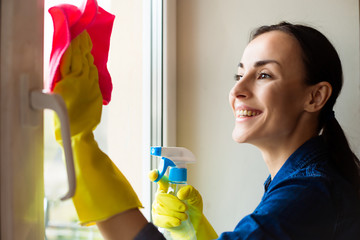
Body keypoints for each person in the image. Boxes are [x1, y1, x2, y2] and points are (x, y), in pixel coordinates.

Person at [53, 22, 360, 239]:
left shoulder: (309, 194)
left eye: (264, 74)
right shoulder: (306, 183)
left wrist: (80, 143)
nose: (237, 89)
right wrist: (195, 232)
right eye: (239, 74)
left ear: (315, 96)